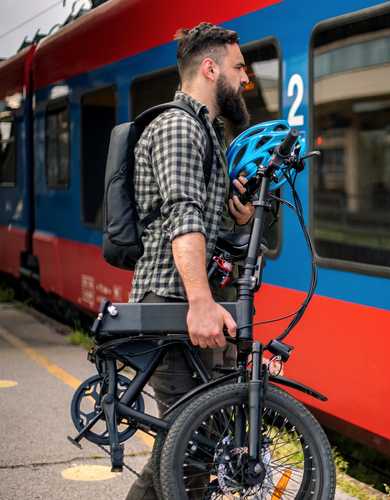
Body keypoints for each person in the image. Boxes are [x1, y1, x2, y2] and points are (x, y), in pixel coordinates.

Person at [125, 22, 253, 500]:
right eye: (239, 67)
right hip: (176, 303)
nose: (245, 79)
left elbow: (203, 224)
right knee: (190, 449)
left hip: (195, 305)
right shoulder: (179, 127)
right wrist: (199, 301)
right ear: (209, 67)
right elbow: (183, 217)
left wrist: (234, 218)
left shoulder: (204, 133)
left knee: (193, 449)